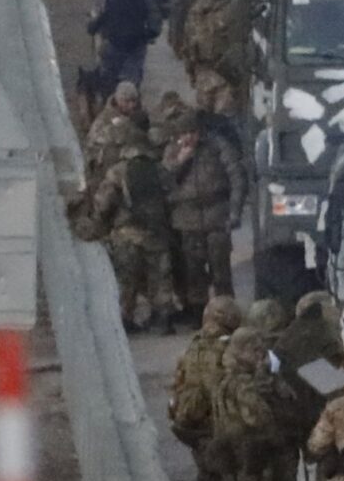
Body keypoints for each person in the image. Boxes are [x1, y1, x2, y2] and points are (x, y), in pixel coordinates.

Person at [212, 322, 302, 481]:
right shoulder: (240, 384)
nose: (260, 357)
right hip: (247, 452)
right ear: (240, 352)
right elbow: (259, 417)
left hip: (253, 453)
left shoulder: (244, 380)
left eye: (262, 352)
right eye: (255, 352)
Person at [75, 126, 176, 332]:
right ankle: (164, 318)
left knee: (126, 281)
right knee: (160, 279)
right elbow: (172, 197)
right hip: (156, 234)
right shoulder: (159, 169)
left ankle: (125, 319)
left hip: (127, 234)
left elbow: (104, 203)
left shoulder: (118, 171)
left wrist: (98, 221)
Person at [168, 295, 243, 481]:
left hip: (191, 423)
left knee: (206, 478)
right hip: (219, 425)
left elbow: (178, 385)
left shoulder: (190, 348)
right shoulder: (231, 348)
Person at [164, 113, 249, 316]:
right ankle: (197, 312)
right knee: (193, 271)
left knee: (220, 270)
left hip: (217, 216)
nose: (189, 138)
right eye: (184, 134)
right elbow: (163, 180)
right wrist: (180, 161)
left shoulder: (217, 146)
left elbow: (236, 177)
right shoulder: (172, 151)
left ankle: (226, 312)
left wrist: (235, 211)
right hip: (187, 219)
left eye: (192, 132)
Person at [87, 0, 162, 95]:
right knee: (131, 83)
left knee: (108, 82)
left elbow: (93, 21)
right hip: (136, 45)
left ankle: (109, 105)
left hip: (111, 44)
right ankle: (131, 107)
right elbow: (154, 18)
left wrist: (93, 28)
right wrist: (149, 34)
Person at [81, 79, 147, 184]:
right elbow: (92, 144)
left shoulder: (138, 115)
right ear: (118, 100)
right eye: (127, 101)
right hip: (107, 169)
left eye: (134, 101)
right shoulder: (104, 119)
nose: (131, 105)